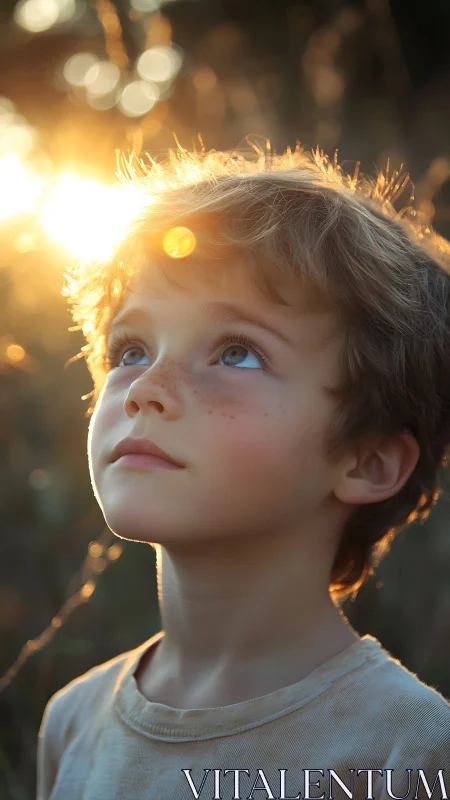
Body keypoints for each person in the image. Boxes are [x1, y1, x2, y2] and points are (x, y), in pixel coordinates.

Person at [37, 144, 450, 800]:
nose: (146, 388)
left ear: (367, 461)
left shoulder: (410, 751)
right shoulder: (71, 724)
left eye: (237, 353)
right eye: (131, 349)